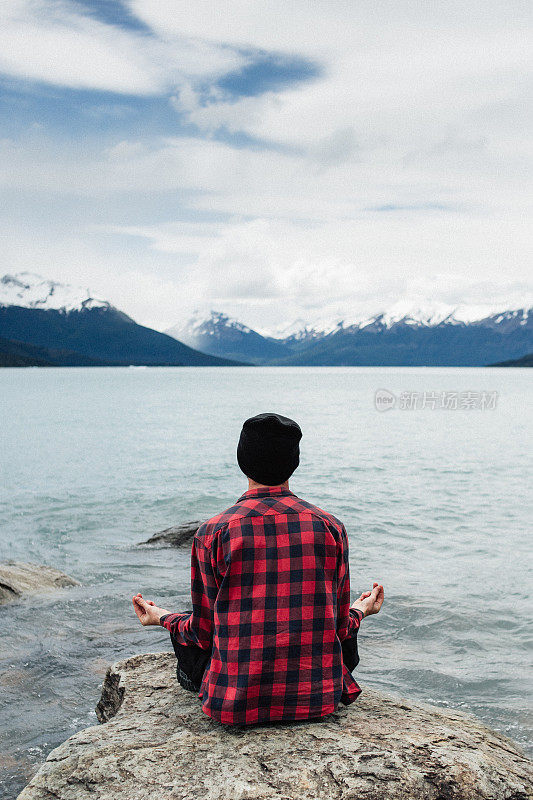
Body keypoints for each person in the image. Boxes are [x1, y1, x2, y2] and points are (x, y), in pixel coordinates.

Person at [133, 412, 384, 725]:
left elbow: (202, 632)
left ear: (242, 460)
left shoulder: (213, 533)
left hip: (234, 705)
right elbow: (338, 626)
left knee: (187, 637)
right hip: (319, 701)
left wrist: (163, 618)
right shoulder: (330, 527)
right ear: (294, 462)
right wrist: (360, 610)